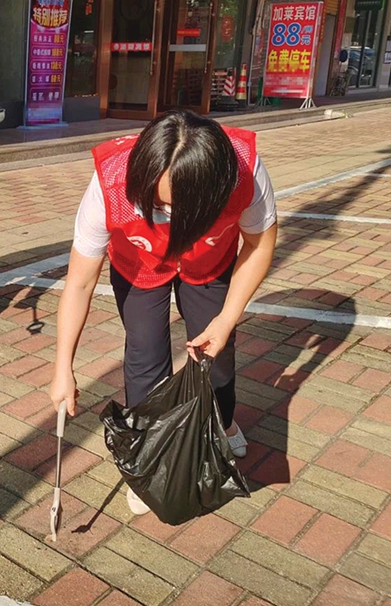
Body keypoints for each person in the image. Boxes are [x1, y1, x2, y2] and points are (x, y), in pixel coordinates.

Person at [49, 110, 277, 516]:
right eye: (158, 205)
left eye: (178, 210)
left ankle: (221, 423)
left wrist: (226, 320)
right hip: (138, 266)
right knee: (145, 352)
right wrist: (63, 366)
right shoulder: (110, 182)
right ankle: (151, 460)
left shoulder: (244, 172)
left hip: (208, 262)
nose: (167, 218)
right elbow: (79, 282)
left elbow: (259, 245)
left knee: (216, 352)